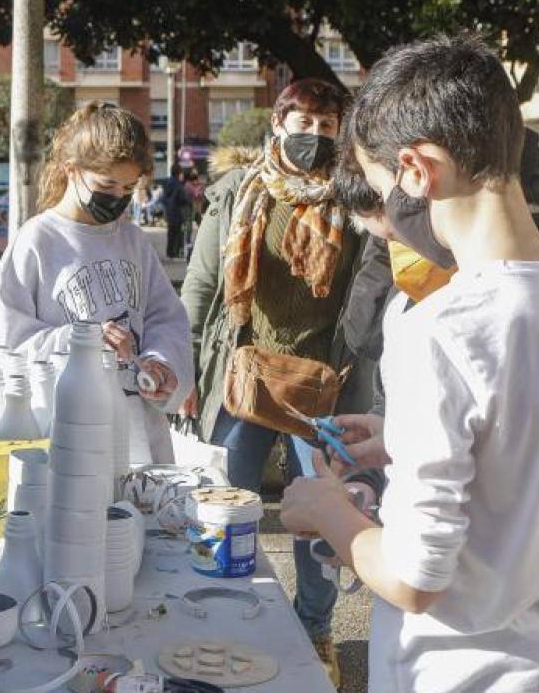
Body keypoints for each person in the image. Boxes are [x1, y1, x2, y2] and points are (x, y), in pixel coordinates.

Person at [281, 36, 539, 693]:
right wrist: (408, 441)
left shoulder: (443, 326)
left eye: (385, 188)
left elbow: (416, 577)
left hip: (465, 674)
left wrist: (329, 510)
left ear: (417, 171)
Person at [329, 128, 539, 689]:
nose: (400, 255)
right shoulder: (437, 300)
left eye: (394, 230)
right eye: (380, 244)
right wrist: (402, 442)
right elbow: (509, 434)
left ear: (419, 179)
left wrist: (521, 547)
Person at [180, 78, 357, 687]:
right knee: (226, 507)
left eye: (326, 124)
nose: (312, 134)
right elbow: (202, 287)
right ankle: (225, 618)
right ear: (278, 123)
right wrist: (185, 371)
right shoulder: (238, 192)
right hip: (245, 376)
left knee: (321, 518)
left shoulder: (355, 201)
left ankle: (315, 628)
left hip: (322, 387)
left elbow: (368, 296)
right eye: (301, 120)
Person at [0, 102, 193, 463]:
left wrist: (162, 363)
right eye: (106, 184)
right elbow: (4, 347)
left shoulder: (133, 240)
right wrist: (80, 338)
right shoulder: (37, 241)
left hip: (138, 436)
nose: (116, 199)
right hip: (67, 436)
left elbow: (165, 319)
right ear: (71, 170)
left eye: (128, 188)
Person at [162, 163, 191, 258]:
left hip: (169, 211)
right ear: (178, 173)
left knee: (171, 232)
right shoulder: (178, 184)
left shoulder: (167, 183)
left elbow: (163, 198)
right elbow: (182, 199)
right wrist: (188, 202)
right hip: (177, 211)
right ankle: (176, 252)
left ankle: (170, 252)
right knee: (178, 233)